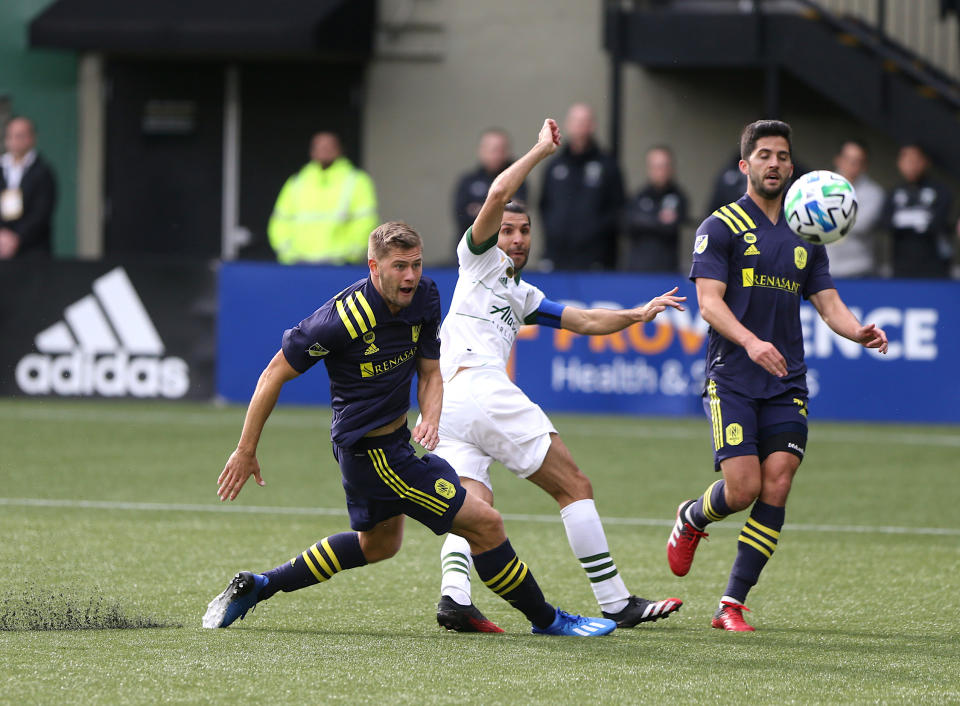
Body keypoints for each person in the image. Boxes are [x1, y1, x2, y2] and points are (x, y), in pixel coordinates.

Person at [203, 219, 617, 637]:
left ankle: (261, 584)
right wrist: (245, 450)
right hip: (373, 455)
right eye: (400, 266)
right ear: (373, 267)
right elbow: (272, 374)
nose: (410, 276)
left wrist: (431, 415)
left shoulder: (425, 296)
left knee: (379, 545)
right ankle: (548, 621)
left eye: (416, 265)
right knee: (485, 524)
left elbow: (431, 372)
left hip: (391, 446)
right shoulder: (340, 320)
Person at [433, 118, 684, 633]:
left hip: (449, 405)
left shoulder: (522, 294)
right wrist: (540, 151)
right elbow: (501, 189)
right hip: (478, 389)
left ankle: (454, 598)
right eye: (508, 229)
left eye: (524, 231)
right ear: (491, 232)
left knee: (471, 506)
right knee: (574, 484)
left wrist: (636, 315)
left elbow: (586, 320)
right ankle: (615, 601)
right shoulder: (476, 260)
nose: (518, 238)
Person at [666, 120, 888, 632]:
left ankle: (731, 604)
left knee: (779, 482)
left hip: (786, 379)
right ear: (745, 166)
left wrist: (857, 332)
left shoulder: (808, 232)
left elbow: (828, 302)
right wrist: (750, 341)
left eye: (782, 156)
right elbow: (708, 304)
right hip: (734, 375)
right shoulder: (718, 227)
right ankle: (693, 517)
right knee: (741, 489)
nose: (774, 164)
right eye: (764, 155)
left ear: (791, 167)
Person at [267, 131, 378, 265]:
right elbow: (280, 221)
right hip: (298, 264)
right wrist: (287, 253)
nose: (324, 151)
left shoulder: (357, 181)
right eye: (319, 147)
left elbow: (366, 221)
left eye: (329, 147)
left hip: (340, 265)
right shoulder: (296, 182)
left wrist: (352, 254)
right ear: (311, 151)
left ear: (339, 150)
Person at [538, 103, 624, 270]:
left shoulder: (607, 166)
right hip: (557, 256)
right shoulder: (555, 165)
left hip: (595, 259)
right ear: (567, 125)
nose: (580, 127)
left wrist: (593, 234)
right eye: (576, 121)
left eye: (584, 122)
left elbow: (617, 208)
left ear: (592, 126)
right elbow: (544, 205)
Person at [882, 143, 955, 278]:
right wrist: (917, 219)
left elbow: (938, 223)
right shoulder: (893, 193)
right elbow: (885, 223)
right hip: (901, 265)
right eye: (907, 160)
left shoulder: (941, 191)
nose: (911, 165)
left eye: (915, 160)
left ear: (926, 162)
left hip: (934, 266)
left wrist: (903, 219)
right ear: (899, 163)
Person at [452, 128, 528, 251]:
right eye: (493, 150)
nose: (497, 155)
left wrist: (481, 210)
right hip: (472, 250)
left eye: (501, 150)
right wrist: (499, 209)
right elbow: (462, 216)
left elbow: (516, 213)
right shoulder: (468, 181)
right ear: (481, 150)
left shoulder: (517, 180)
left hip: (505, 251)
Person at [624, 145, 688, 272]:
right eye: (656, 166)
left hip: (667, 270)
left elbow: (670, 227)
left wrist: (645, 220)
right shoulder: (638, 196)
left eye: (664, 166)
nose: (660, 171)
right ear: (649, 168)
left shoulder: (678, 197)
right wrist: (658, 220)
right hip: (638, 269)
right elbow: (628, 224)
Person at [826, 139, 885, 278]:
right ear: (838, 160)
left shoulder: (874, 193)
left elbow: (860, 225)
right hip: (825, 269)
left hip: (859, 269)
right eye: (848, 159)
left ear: (865, 165)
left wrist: (821, 217)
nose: (852, 165)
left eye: (858, 160)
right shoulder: (818, 186)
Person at [0, 117, 56, 259]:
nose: (14, 141)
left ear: (31, 138)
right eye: (10, 135)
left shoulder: (43, 172)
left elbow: (41, 212)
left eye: (19, 136)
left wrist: (17, 237)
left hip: (32, 251)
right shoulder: (2, 168)